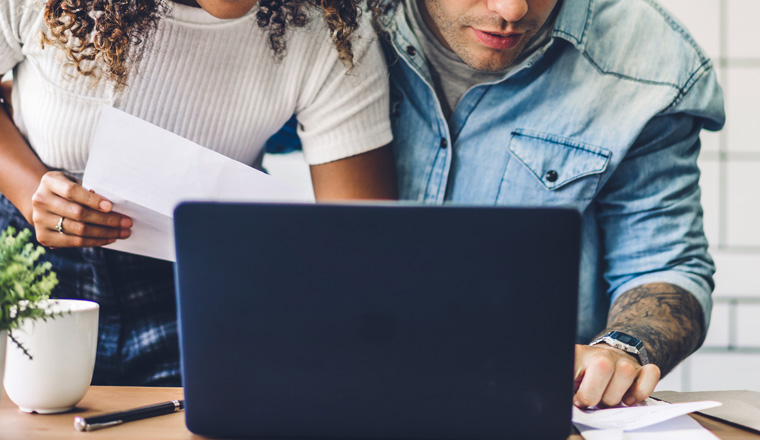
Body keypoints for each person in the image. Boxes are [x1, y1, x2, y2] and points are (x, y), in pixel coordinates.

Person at [0, 0, 396, 386]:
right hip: (30, 268)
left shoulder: (332, 23)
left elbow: (360, 252)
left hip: (203, 284)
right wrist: (30, 188)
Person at [370, 0, 724, 409]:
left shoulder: (649, 59)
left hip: (531, 407)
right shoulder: (331, 23)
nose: (512, 9)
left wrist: (620, 350)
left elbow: (663, 265)